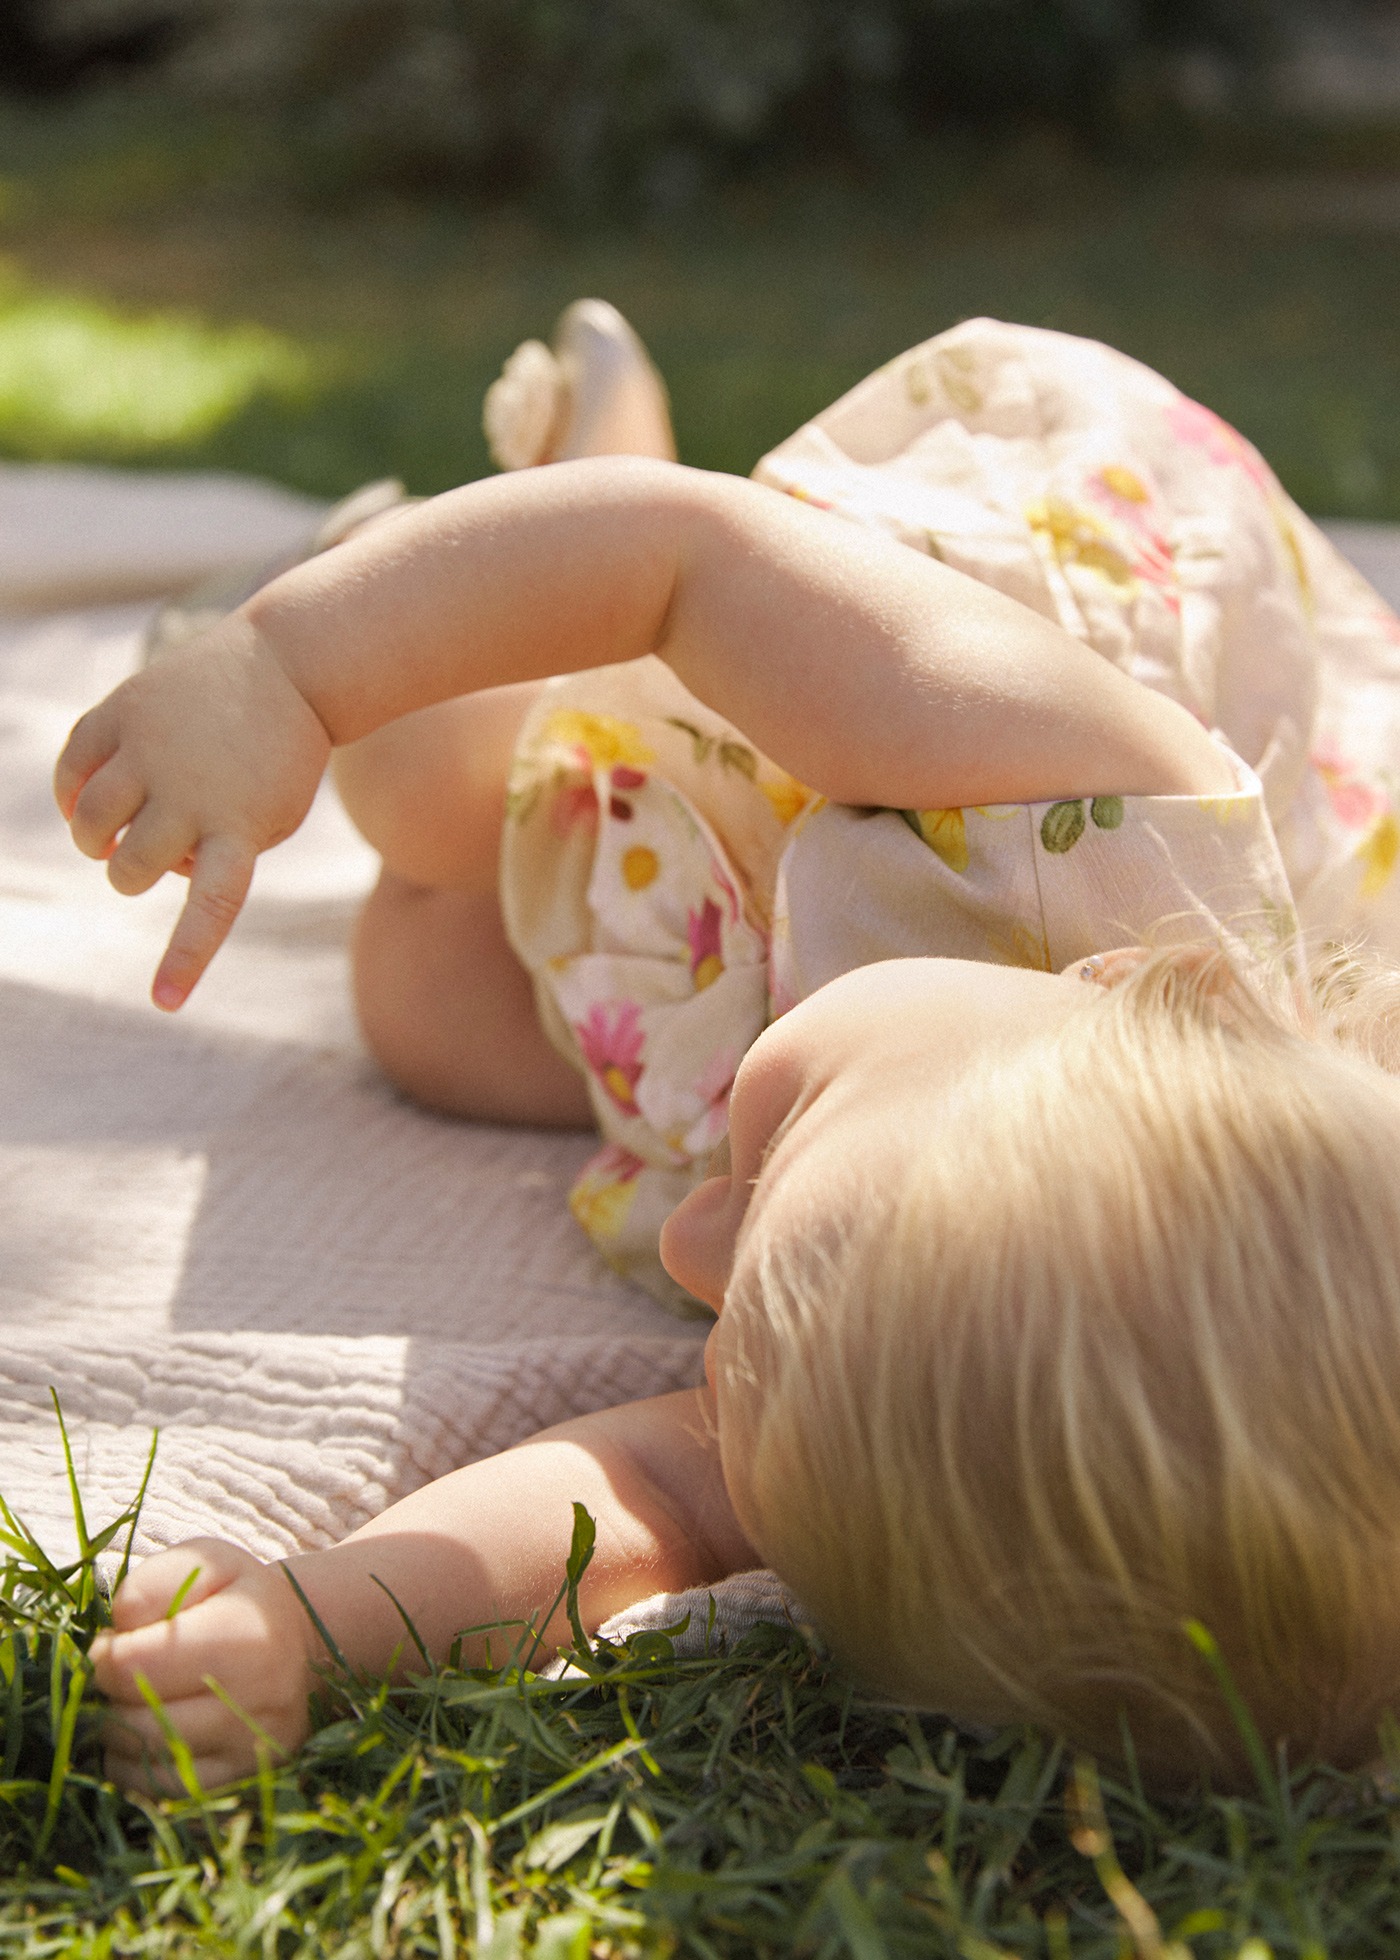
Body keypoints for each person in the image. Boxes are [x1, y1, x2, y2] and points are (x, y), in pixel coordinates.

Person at [57, 307, 1400, 1794]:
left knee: (422, 1009)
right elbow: (679, 560)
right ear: (1141, 993)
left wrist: (315, 1620)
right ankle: (548, 483)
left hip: (796, 966)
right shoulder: (1076, 791)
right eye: (776, 1168)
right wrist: (290, 672)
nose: (689, 1245)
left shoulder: (921, 1412)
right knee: (423, 780)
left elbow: (639, 1500)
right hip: (815, 691)